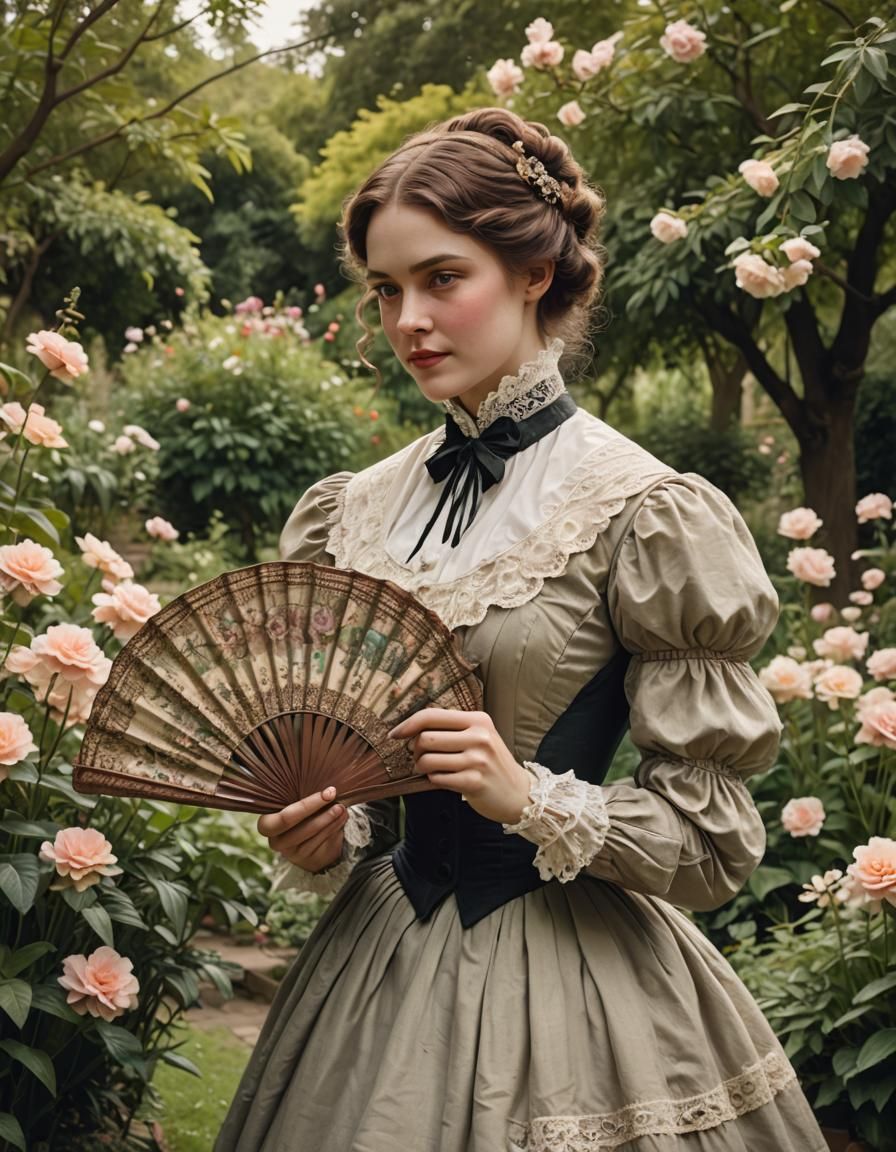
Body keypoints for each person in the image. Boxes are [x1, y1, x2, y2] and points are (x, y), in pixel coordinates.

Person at [215, 107, 828, 1151]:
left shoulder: (641, 509)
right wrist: (330, 830)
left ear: (533, 274)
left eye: (442, 278)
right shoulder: (351, 509)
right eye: (385, 289)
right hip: (375, 962)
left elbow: (712, 842)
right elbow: (345, 764)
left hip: (576, 975)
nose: (408, 319)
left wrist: (528, 798)